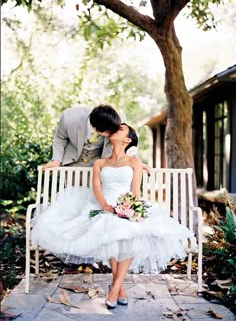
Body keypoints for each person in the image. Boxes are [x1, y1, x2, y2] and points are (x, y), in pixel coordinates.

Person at [31, 124, 193, 309]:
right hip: (104, 206)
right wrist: (105, 206)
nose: (116, 129)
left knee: (130, 231)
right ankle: (119, 289)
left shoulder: (134, 162)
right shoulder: (100, 163)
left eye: (121, 129)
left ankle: (114, 288)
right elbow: (97, 187)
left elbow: (135, 191)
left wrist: (132, 209)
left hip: (127, 205)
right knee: (109, 227)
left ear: (127, 139)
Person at [42, 104, 125, 170]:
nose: (111, 134)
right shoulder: (69, 118)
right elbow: (60, 138)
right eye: (108, 132)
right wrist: (56, 160)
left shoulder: (118, 122)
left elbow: (127, 142)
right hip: (72, 164)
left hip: (99, 166)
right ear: (97, 129)